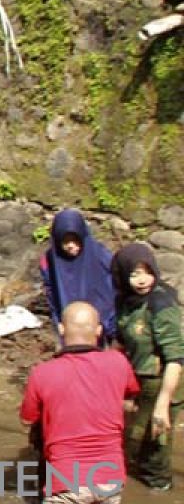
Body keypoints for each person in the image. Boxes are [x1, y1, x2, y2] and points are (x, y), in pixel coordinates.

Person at [20, 301, 138, 504]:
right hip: (110, 479)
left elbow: (27, 420)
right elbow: (131, 395)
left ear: (61, 328)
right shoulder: (118, 362)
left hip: (66, 482)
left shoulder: (41, 373)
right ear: (99, 330)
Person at [112, 243, 183, 491]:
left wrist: (163, 405)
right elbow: (120, 342)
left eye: (147, 272)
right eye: (134, 274)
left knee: (156, 439)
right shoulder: (125, 301)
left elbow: (176, 358)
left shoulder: (161, 304)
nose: (142, 280)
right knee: (132, 437)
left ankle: (160, 485)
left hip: (164, 379)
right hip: (137, 377)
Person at [40, 209, 116, 344]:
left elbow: (114, 287)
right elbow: (52, 294)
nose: (70, 246)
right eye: (65, 241)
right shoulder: (51, 260)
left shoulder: (100, 255)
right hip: (69, 328)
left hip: (102, 326)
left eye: (75, 240)